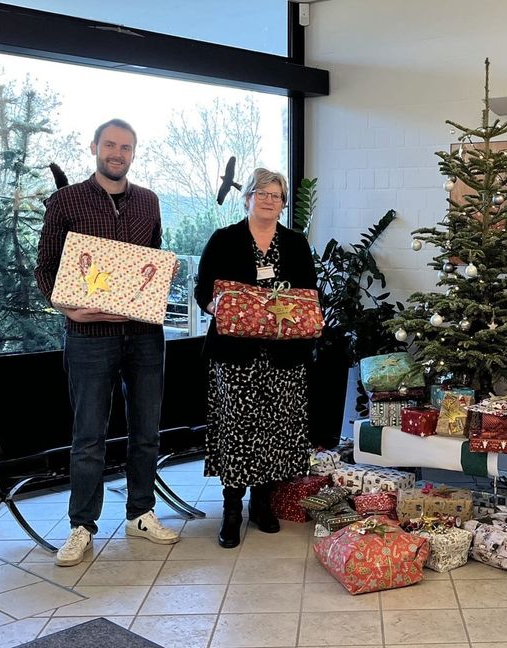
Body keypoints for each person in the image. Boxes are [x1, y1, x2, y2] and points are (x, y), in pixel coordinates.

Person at [35, 118, 181, 568]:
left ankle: (141, 511)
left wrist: (164, 275)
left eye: (126, 147)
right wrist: (66, 308)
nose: (118, 153)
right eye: (111, 145)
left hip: (143, 335)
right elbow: (45, 267)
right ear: (94, 146)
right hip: (88, 335)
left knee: (146, 431)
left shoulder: (149, 202)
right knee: (88, 437)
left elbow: (153, 259)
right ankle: (82, 525)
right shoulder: (66, 201)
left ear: (134, 153)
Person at [194, 168, 318, 549]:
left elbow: (309, 293)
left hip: (284, 356)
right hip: (236, 356)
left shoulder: (296, 244)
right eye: (261, 193)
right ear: (247, 197)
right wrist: (217, 306)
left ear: (283, 203)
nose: (269, 200)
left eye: (276, 195)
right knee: (238, 429)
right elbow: (203, 288)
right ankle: (232, 509)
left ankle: (262, 503)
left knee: (275, 429)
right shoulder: (224, 240)